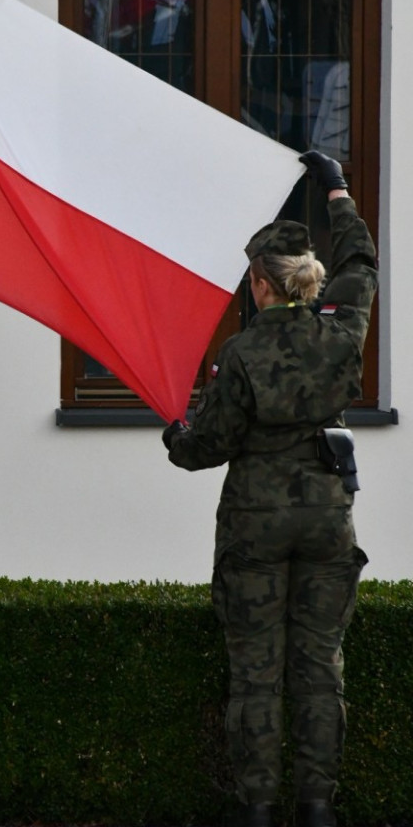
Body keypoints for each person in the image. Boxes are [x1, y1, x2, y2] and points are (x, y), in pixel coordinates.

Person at [162, 151, 377, 827]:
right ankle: (316, 808)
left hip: (255, 524)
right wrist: (336, 191)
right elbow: (362, 265)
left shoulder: (244, 354)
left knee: (255, 671)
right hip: (325, 519)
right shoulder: (340, 329)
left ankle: (257, 809)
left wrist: (176, 434)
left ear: (259, 283)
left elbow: (207, 447)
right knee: (319, 667)